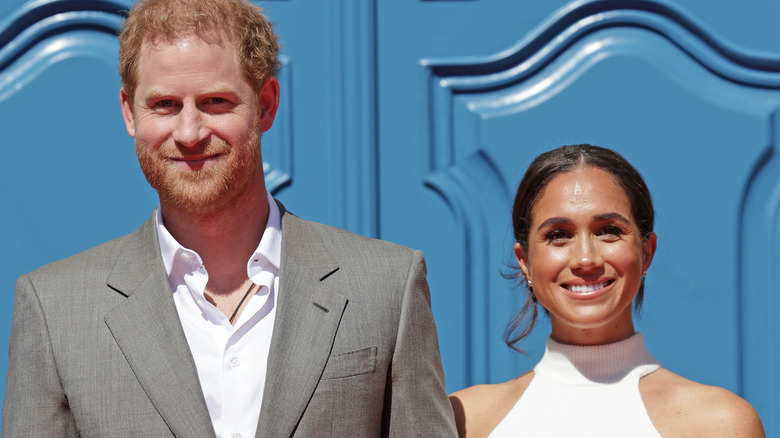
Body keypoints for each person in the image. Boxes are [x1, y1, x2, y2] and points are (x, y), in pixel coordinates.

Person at [1, 0, 457, 436]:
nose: (190, 133)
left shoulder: (386, 287)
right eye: (164, 105)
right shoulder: (54, 311)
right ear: (129, 112)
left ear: (267, 104)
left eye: (216, 101)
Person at [449, 144, 764, 437]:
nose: (586, 259)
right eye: (558, 234)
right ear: (525, 261)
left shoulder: (719, 423)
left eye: (609, 231)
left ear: (647, 252)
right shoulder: (465, 420)